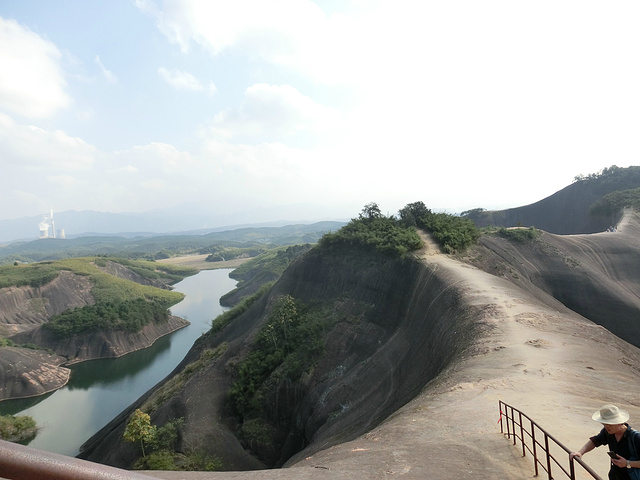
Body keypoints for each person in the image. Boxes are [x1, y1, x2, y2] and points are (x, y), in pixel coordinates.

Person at [570, 404, 640, 480]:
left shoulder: (636, 438)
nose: (607, 427)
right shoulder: (608, 432)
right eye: (604, 424)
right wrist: (580, 452)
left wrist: (627, 463)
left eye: (610, 424)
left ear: (619, 422)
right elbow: (595, 441)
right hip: (616, 475)